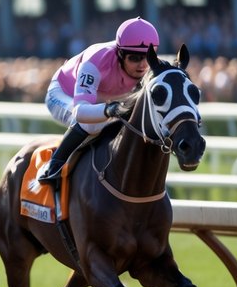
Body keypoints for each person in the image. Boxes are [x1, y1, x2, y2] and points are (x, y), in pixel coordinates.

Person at [35, 16, 155, 184]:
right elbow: (80, 111)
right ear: (120, 53)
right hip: (65, 93)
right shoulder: (97, 59)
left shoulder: (152, 67)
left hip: (104, 97)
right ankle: (54, 165)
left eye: (147, 57)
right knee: (92, 123)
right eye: (134, 58)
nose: (142, 65)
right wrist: (108, 110)